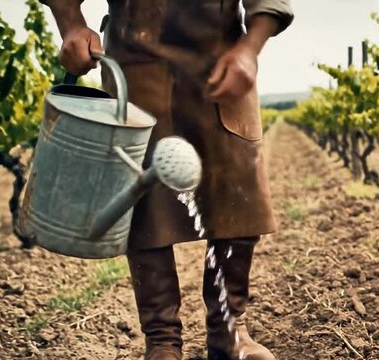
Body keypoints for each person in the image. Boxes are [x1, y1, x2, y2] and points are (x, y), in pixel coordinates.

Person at [40, 1, 293, 359]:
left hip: (221, 58)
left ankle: (228, 330)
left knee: (236, 192)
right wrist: (70, 23)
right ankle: (161, 340)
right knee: (142, 196)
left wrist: (249, 50)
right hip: (135, 61)